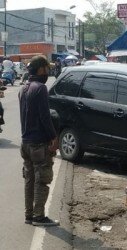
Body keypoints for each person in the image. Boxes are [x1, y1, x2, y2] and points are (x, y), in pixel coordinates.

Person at [18, 55, 59, 226]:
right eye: (47, 68)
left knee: (29, 180)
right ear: (41, 69)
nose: (48, 71)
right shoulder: (40, 88)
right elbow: (44, 117)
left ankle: (29, 215)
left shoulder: (24, 88)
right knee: (41, 180)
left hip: (25, 142)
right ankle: (39, 216)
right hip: (38, 144)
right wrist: (53, 137)